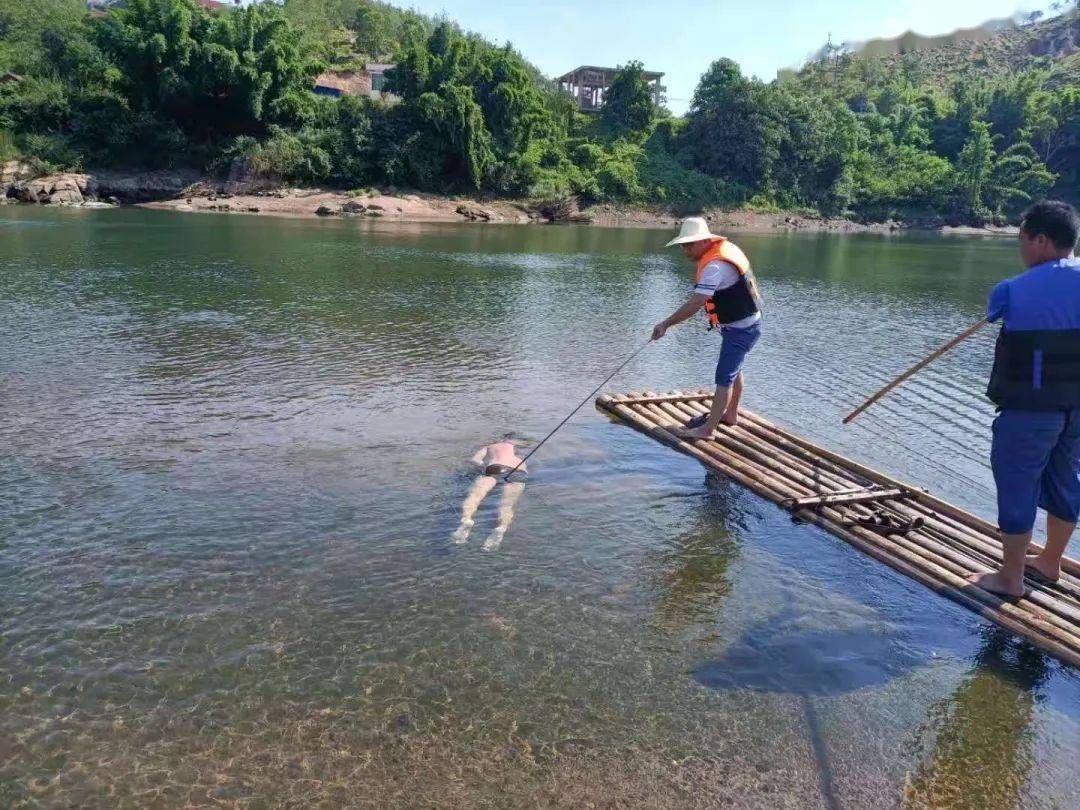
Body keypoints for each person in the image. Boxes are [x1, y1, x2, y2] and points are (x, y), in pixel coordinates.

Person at [967, 200, 1080, 598]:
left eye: (1023, 239)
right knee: (1067, 482)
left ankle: (1010, 579)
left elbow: (996, 313)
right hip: (1076, 411)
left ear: (1042, 241)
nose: (1021, 248)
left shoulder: (1011, 290)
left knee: (1017, 486)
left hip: (1031, 413)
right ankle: (1050, 564)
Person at [651, 217, 762, 438]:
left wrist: (666, 324)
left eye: (689, 244)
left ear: (704, 242)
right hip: (744, 324)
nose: (685, 250)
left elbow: (696, 302)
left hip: (742, 329)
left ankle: (707, 430)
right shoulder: (722, 251)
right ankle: (730, 415)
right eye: (683, 245)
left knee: (723, 377)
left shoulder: (714, 266)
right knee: (734, 369)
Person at [451, 438, 527, 551]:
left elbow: (475, 460)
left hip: (495, 467)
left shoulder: (491, 446)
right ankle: (501, 528)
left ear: (501, 439)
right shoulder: (519, 450)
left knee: (475, 496)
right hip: (517, 472)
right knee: (507, 505)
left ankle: (466, 519)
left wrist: (484, 468)